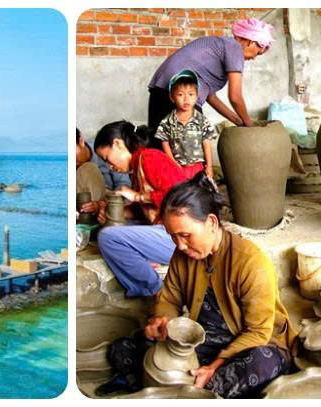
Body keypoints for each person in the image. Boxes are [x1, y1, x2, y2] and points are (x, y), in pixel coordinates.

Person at [96, 173, 298, 398]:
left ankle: (179, 389)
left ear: (211, 222)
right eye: (173, 237)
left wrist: (216, 365)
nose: (180, 245)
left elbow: (259, 332)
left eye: (185, 235)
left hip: (252, 343)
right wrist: (162, 319)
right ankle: (187, 390)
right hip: (205, 338)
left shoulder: (251, 262)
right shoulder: (182, 255)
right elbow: (169, 299)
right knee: (122, 348)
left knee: (261, 364)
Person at [93, 121, 204, 297]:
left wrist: (137, 196)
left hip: (184, 237)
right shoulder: (137, 165)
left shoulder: (149, 157)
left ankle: (154, 291)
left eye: (107, 158)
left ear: (118, 144)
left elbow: (182, 197)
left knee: (108, 238)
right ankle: (142, 263)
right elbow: (147, 209)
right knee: (111, 229)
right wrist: (114, 213)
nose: (109, 166)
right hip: (169, 232)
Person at [146, 18, 274, 129]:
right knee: (189, 146)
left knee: (158, 144)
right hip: (180, 93)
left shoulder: (222, 46)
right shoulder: (235, 48)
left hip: (160, 90)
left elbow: (210, 96)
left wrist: (238, 121)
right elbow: (235, 97)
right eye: (258, 53)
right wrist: (249, 124)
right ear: (251, 42)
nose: (254, 58)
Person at [155, 70, 219, 179]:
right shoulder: (167, 122)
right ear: (172, 97)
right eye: (180, 94)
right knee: (179, 189)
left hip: (198, 168)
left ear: (197, 96)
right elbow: (164, 143)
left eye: (191, 94)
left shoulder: (202, 120)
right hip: (178, 168)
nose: (186, 99)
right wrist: (173, 163)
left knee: (201, 189)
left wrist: (209, 166)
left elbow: (206, 143)